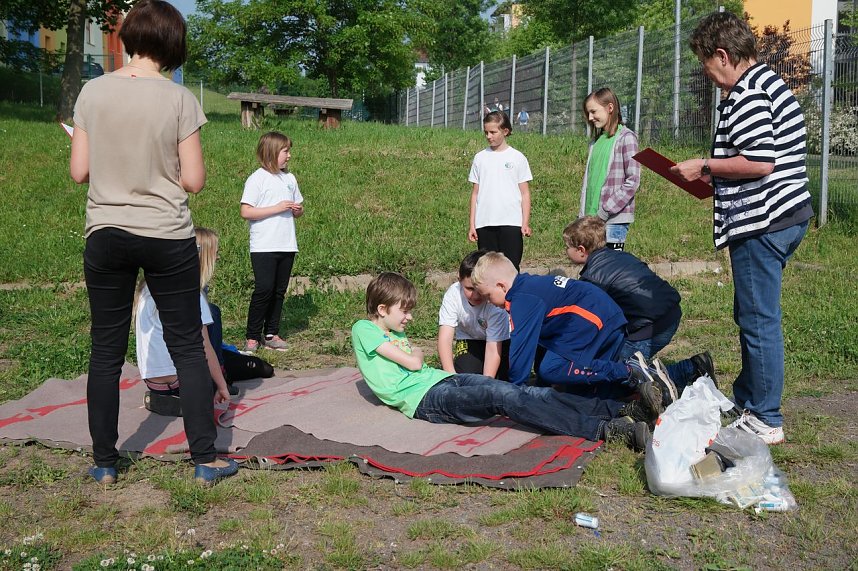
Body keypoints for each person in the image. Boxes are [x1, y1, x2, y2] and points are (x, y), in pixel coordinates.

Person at [70, 0, 237, 485]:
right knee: (187, 345)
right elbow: (195, 181)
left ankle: (104, 462)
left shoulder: (92, 92)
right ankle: (204, 460)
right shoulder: (179, 99)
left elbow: (79, 171)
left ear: (129, 38)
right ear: (172, 44)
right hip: (165, 234)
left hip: (105, 233)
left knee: (105, 349)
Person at [669, 12, 813, 445]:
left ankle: (766, 418)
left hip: (762, 221)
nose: (707, 75)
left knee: (758, 319)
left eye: (706, 65)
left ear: (723, 54)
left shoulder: (748, 92)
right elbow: (757, 160)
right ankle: (750, 399)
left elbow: (760, 161)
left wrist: (706, 164)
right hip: (783, 215)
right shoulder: (767, 83)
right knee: (751, 313)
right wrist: (715, 177)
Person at [351, 273, 668, 451]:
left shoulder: (389, 332)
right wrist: (415, 356)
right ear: (381, 310)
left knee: (526, 393)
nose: (409, 317)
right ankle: (604, 429)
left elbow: (415, 361)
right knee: (502, 397)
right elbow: (412, 364)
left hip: (439, 381)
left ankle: (620, 408)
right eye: (403, 311)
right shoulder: (363, 329)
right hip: (424, 400)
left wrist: (417, 358)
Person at [472, 252, 712, 403]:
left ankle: (628, 371)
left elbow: (521, 348)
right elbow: (541, 341)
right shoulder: (530, 286)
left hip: (589, 318)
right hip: (600, 317)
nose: (489, 303)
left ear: (502, 286)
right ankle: (682, 371)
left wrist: (514, 393)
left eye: (487, 296)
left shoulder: (520, 298)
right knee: (593, 393)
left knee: (551, 369)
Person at [564, 217, 715, 392]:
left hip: (648, 327)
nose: (565, 251)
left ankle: (688, 371)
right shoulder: (622, 256)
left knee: (617, 376)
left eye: (567, 247)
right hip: (670, 312)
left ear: (581, 250)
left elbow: (590, 322)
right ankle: (693, 367)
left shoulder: (593, 278)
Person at [135, 228, 233, 416]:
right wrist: (222, 387)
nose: (218, 258)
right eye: (215, 254)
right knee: (244, 365)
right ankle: (198, 398)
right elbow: (205, 347)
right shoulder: (191, 294)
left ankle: (164, 399)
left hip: (153, 381)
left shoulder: (146, 288)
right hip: (182, 378)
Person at [241, 131, 305, 353]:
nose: (289, 156)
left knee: (279, 291)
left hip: (287, 244)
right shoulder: (257, 179)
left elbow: (299, 208)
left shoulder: (290, 179)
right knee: (264, 289)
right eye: (285, 151)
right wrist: (276, 208)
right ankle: (252, 336)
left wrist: (297, 210)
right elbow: (246, 211)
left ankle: (271, 332)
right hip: (264, 246)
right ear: (271, 153)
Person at [467, 110, 533, 270]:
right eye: (486, 132)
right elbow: (475, 193)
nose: (489, 136)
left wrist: (525, 222)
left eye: (493, 132)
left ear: (505, 131)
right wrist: (472, 224)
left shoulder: (517, 157)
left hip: (511, 222)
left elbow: (525, 193)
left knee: (510, 268)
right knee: (487, 270)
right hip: (485, 223)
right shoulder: (480, 158)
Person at [580, 87, 640, 251]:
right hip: (591, 219)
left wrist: (606, 209)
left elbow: (633, 180)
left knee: (611, 269)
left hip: (614, 220)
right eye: (588, 113)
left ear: (610, 108)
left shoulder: (626, 138)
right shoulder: (595, 143)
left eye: (593, 111)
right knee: (595, 269)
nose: (590, 117)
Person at [438, 250, 510, 380]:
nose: (476, 295)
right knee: (466, 376)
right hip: (470, 339)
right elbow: (445, 338)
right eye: (470, 289)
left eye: (479, 290)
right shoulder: (453, 294)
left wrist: (486, 383)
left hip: (501, 341)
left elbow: (493, 348)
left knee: (503, 379)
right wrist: (450, 376)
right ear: (459, 280)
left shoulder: (495, 303)